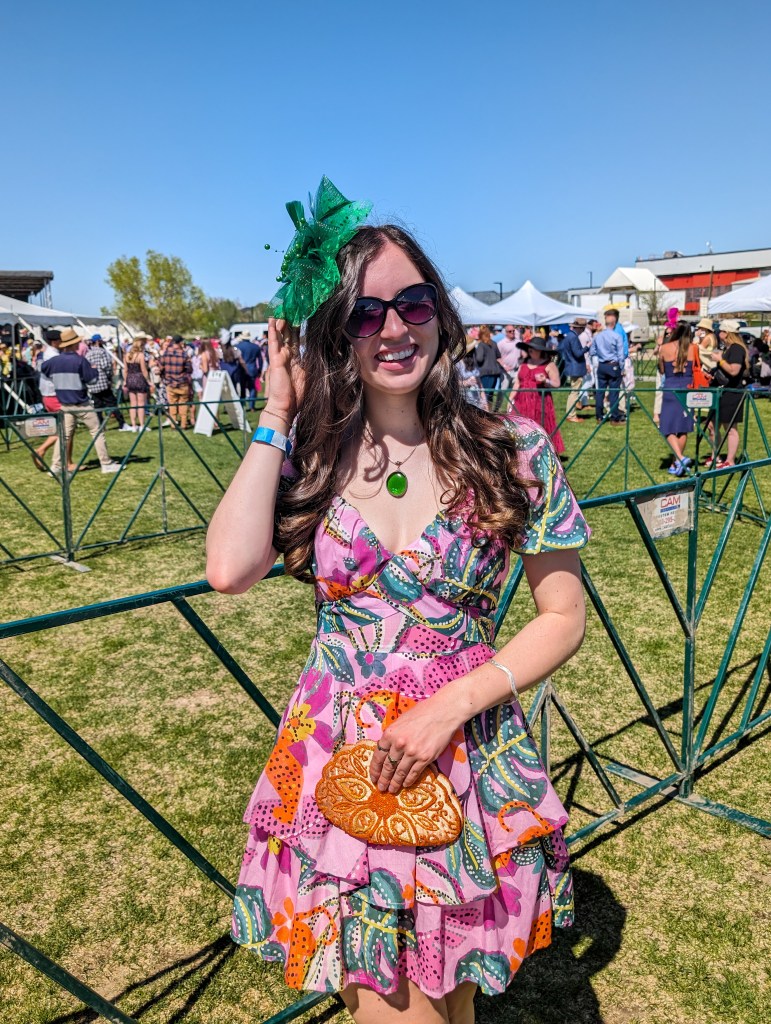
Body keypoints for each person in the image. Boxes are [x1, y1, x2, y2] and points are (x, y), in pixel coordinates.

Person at [206, 179, 590, 1023]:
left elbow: (562, 616)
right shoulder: (308, 456)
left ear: (441, 316)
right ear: (335, 333)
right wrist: (275, 411)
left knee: (450, 1000)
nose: (393, 329)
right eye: (364, 314)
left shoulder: (513, 449)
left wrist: (448, 707)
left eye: (413, 303)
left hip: (468, 751)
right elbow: (229, 569)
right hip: (342, 761)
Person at [39, 328, 121, 476]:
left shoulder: (54, 361)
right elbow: (92, 380)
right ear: (73, 344)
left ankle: (56, 466)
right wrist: (93, 370)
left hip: (65, 404)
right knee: (97, 431)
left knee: (64, 436)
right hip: (81, 403)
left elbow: (43, 370)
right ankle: (106, 463)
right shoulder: (80, 360)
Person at [704, 319, 751, 468]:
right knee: (712, 425)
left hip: (732, 393)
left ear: (727, 333)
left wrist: (720, 360)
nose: (719, 334)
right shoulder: (729, 347)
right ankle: (715, 455)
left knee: (730, 428)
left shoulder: (737, 348)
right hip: (722, 391)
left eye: (721, 331)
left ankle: (730, 461)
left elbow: (734, 370)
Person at [506, 336, 565, 454]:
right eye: (530, 349)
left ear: (541, 351)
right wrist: (510, 399)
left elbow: (557, 383)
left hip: (540, 402)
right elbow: (517, 383)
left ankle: (543, 452)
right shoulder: (523, 363)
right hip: (521, 401)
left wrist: (545, 381)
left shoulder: (549, 365)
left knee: (541, 426)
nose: (531, 351)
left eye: (534, 349)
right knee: (520, 427)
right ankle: (522, 452)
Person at [657, 322, 695, 475]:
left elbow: (661, 369)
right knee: (682, 428)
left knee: (667, 426)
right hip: (687, 388)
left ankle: (679, 458)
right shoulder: (693, 348)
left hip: (671, 388)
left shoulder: (665, 348)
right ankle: (677, 463)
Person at [86, 335, 131, 431]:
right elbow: (106, 367)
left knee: (97, 406)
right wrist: (110, 378)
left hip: (92, 384)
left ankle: (101, 426)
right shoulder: (102, 352)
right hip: (102, 382)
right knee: (112, 403)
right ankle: (122, 424)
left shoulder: (88, 354)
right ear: (98, 341)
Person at [589, 313, 625, 424]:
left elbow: (592, 351)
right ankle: (615, 417)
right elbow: (621, 355)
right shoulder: (616, 337)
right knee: (614, 392)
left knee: (600, 391)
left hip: (602, 365)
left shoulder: (597, 336)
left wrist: (600, 355)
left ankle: (599, 416)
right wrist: (622, 367)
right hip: (613, 365)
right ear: (614, 324)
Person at [160, 334, 194, 430]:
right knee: (183, 404)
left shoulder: (166, 354)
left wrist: (164, 376)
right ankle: (183, 424)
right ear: (180, 343)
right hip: (182, 382)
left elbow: (161, 367)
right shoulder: (184, 354)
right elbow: (189, 369)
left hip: (170, 383)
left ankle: (173, 424)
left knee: (172, 405)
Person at [560, 318, 588, 422]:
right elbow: (578, 353)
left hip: (571, 366)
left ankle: (570, 413)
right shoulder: (574, 337)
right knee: (574, 392)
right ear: (581, 328)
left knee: (573, 391)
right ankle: (571, 415)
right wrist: (586, 348)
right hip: (576, 368)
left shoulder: (569, 336)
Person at [124, 333, 154, 431]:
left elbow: (125, 370)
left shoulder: (127, 355)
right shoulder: (140, 355)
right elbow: (144, 370)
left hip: (130, 379)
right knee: (141, 404)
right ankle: (141, 425)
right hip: (139, 379)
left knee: (133, 404)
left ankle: (133, 425)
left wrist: (125, 381)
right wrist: (149, 381)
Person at [235, 330, 264, 409]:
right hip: (252, 369)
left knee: (242, 388)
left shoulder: (238, 346)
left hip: (241, 370)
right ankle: (252, 406)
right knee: (252, 388)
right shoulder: (255, 347)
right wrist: (260, 370)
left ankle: (242, 405)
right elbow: (260, 360)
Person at [472, 324, 502, 395]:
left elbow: (479, 359)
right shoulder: (494, 343)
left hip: (485, 373)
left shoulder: (481, 345)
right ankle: (490, 406)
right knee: (490, 395)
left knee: (484, 395)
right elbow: (498, 355)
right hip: (494, 372)